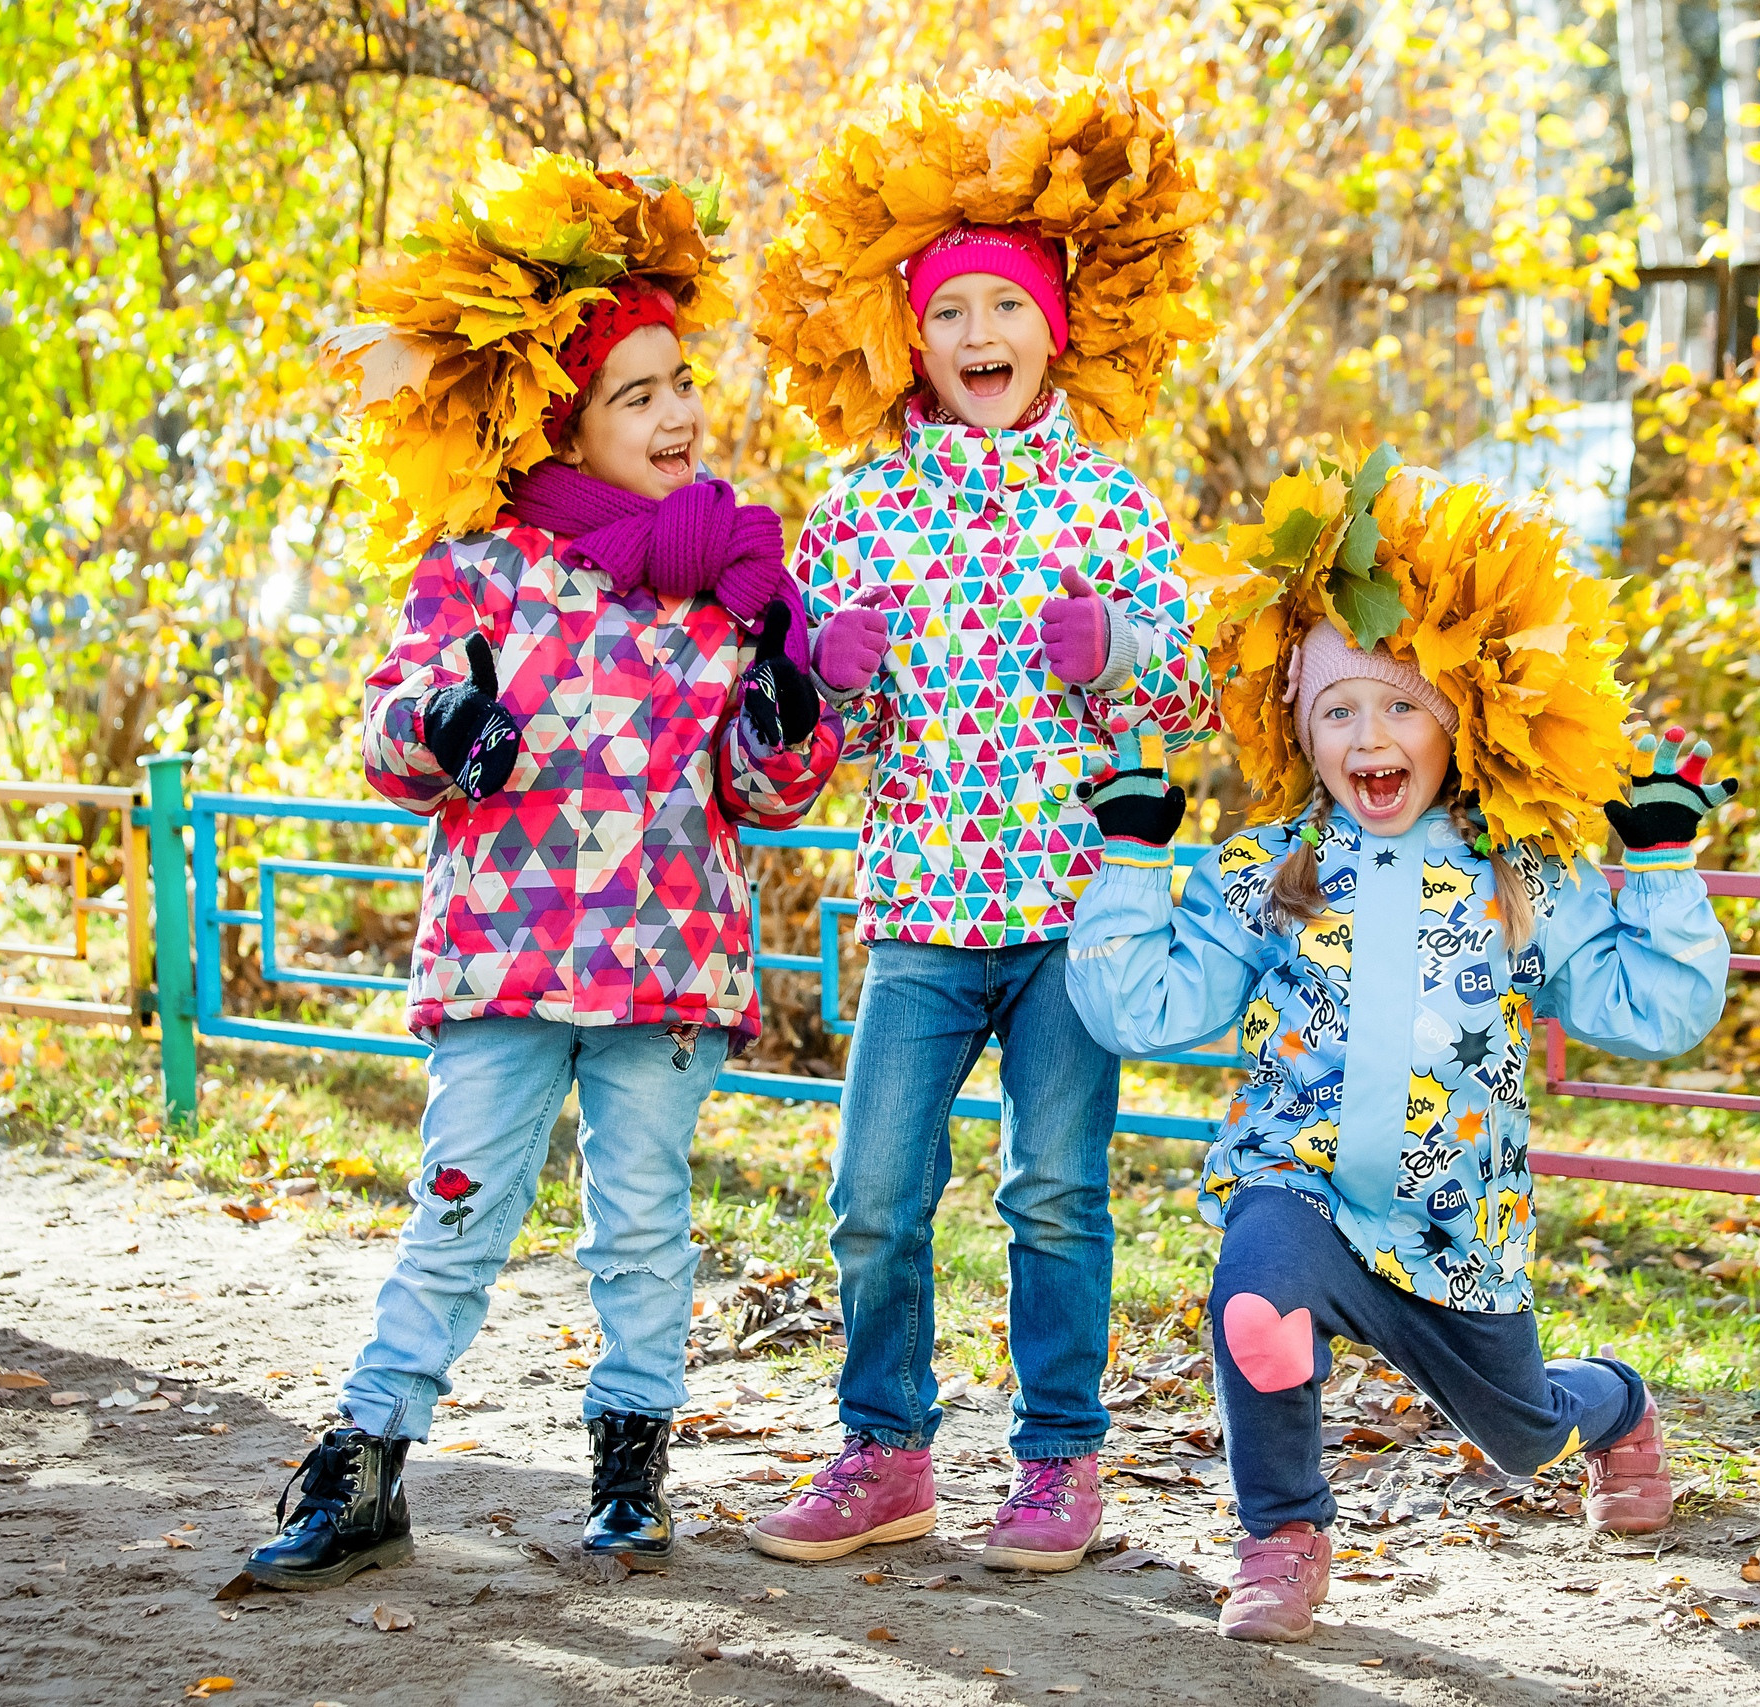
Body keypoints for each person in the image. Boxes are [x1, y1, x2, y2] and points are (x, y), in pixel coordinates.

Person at [247, 157, 843, 1590]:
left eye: (682, 382)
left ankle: (631, 1464)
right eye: (637, 394)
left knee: (641, 1224)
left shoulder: (735, 584)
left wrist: (785, 716)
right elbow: (392, 730)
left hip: (664, 968)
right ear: (568, 423)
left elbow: (765, 791)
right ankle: (368, 1458)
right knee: (457, 1206)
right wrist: (444, 724)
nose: (678, 411)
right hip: (503, 961)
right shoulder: (478, 569)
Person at [1064, 458, 1738, 1642]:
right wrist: (1129, 857)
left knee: (1522, 1435)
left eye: (1400, 706)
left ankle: (1616, 1407)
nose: (1368, 736)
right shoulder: (1271, 867)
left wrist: (1661, 868)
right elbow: (1145, 1011)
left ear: (1458, 722)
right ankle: (1281, 1536)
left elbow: (1652, 1011)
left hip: (1452, 1225)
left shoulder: (1516, 873)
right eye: (1337, 711)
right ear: (1299, 730)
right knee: (1255, 1310)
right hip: (1300, 1188)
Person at [744, 76, 1216, 1571]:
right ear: (915, 338)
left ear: (1052, 329)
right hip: (921, 906)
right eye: (948, 313)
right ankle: (884, 1450)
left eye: (1005, 306)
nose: (978, 333)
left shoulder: (1111, 502)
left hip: (1079, 911)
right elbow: (822, 739)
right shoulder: (858, 508)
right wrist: (831, 678)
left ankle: (1059, 1460)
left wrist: (1124, 655)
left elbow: (1200, 694)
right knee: (874, 1194)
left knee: (1055, 1195)